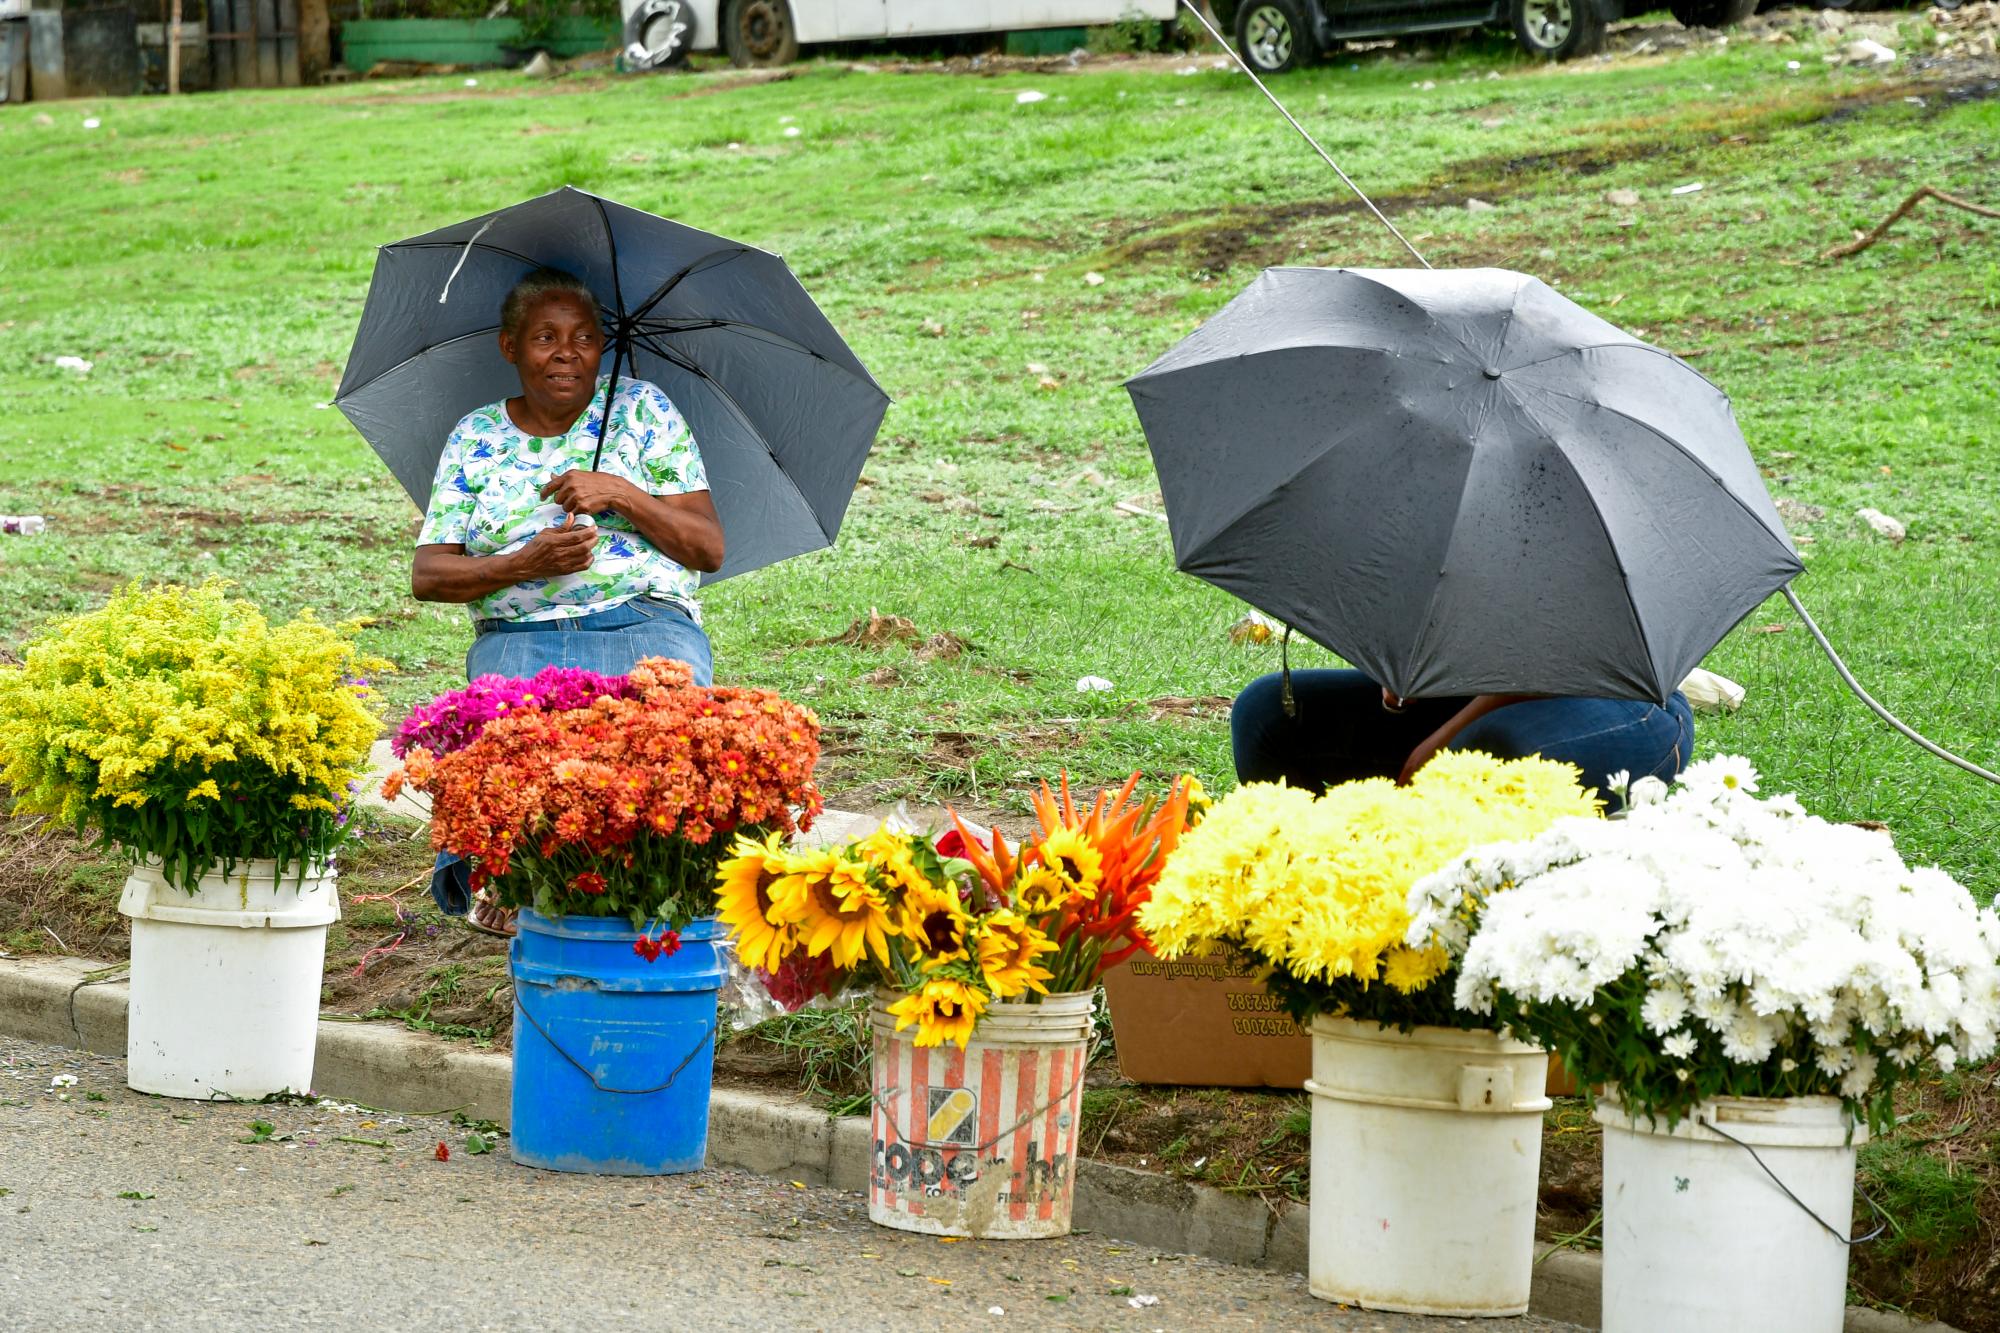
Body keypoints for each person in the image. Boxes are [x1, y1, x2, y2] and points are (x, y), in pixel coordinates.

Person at [412, 266, 725, 930]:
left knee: (667, 737)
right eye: (545, 337)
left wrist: (620, 492)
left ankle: (657, 880)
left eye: (583, 337)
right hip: (520, 633)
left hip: (642, 618)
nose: (566, 352)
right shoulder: (476, 438)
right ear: (510, 347)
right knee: (510, 744)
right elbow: (429, 574)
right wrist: (525, 561)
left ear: (602, 345)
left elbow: (707, 548)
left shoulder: (642, 410)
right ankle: (512, 872)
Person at [1229, 669, 1692, 811]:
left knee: (1491, 752)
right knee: (1266, 712)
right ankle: (1308, 888)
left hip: (1625, 702)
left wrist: (1442, 743)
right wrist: (1403, 669)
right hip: (1480, 689)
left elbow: (1556, 659)